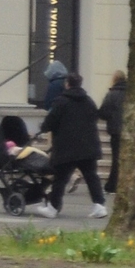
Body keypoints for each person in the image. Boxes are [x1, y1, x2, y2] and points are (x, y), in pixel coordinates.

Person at [35, 74, 105, 217]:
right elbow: (94, 117)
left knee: (60, 178)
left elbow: (51, 121)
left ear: (67, 84)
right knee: (92, 176)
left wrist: (43, 128)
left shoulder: (61, 102)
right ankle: (99, 205)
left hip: (67, 147)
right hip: (88, 146)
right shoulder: (89, 101)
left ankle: (53, 207)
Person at [98, 71, 127, 176]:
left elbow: (103, 112)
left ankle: (113, 183)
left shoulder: (111, 94)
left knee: (116, 158)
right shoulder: (131, 93)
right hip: (128, 130)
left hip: (116, 130)